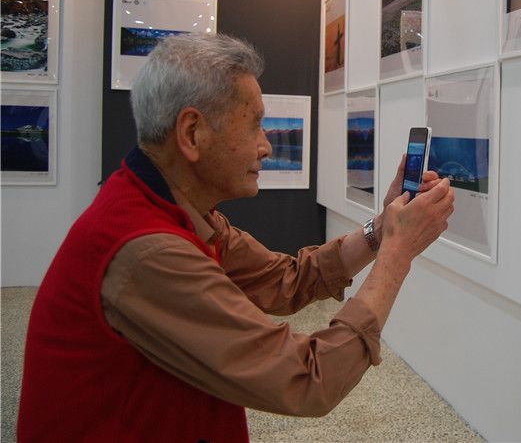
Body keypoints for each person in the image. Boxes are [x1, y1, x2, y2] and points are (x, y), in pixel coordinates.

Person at [17, 33, 455, 442]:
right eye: (254, 126)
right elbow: (309, 380)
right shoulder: (150, 250)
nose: (267, 146)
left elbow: (286, 280)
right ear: (192, 133)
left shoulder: (176, 208)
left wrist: (381, 231)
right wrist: (397, 253)